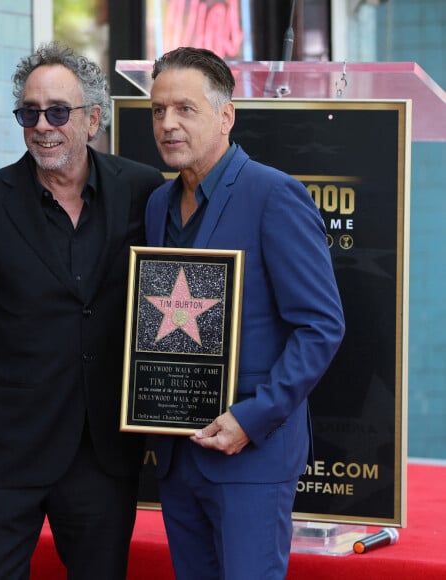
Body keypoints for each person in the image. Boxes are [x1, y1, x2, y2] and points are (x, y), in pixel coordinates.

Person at [0, 41, 164, 580]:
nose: (43, 125)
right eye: (30, 112)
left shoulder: (141, 190)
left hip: (103, 452)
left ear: (92, 119)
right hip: (6, 453)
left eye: (58, 111)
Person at [146, 47, 346, 580]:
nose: (168, 124)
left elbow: (321, 325)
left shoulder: (274, 195)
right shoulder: (157, 205)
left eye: (185, 109)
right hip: (176, 455)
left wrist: (249, 420)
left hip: (249, 457)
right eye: (158, 110)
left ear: (226, 116)